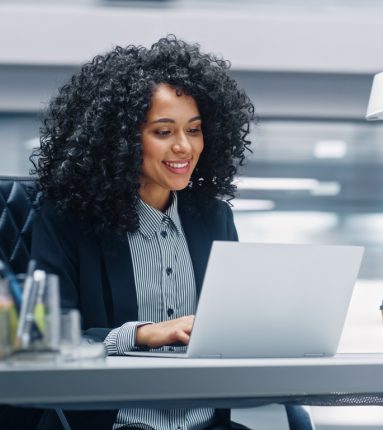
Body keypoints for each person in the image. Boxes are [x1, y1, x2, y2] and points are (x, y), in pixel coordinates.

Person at [30, 35, 254, 430]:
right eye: (163, 132)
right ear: (119, 140)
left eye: (195, 129)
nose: (185, 147)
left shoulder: (214, 219)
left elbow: (229, 328)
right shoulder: (68, 220)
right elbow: (44, 342)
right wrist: (140, 334)